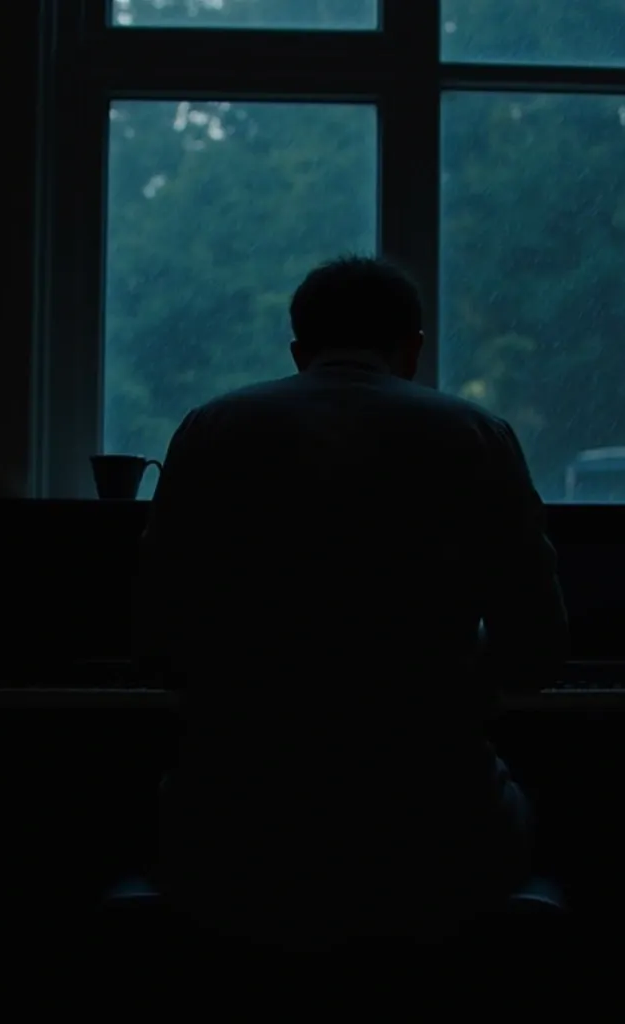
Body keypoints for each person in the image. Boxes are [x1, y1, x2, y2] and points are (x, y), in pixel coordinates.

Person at [133, 255, 569, 949]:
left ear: (299, 351)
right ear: (413, 350)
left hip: (233, 832)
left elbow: (157, 637)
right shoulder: (477, 435)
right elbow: (536, 653)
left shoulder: (210, 429)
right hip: (439, 831)